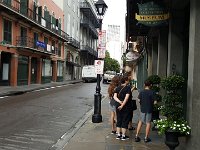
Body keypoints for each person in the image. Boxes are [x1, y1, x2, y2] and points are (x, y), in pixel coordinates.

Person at [113, 75, 132, 141]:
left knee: (119, 119)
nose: (128, 81)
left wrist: (120, 103)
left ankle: (118, 135)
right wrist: (122, 105)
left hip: (118, 105)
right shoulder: (128, 88)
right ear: (126, 81)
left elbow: (115, 97)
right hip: (126, 106)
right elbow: (126, 98)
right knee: (125, 120)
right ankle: (123, 136)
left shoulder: (117, 88)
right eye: (128, 80)